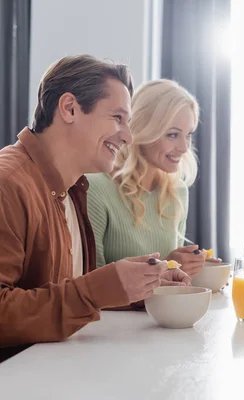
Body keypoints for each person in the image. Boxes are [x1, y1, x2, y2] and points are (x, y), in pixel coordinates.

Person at [0, 55, 189, 362]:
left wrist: (141, 286)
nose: (128, 136)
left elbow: (69, 293)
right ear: (70, 108)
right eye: (117, 118)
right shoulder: (8, 184)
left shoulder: (73, 188)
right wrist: (95, 290)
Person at [87, 79, 214, 278]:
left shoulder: (177, 192)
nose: (184, 148)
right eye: (172, 135)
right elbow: (89, 283)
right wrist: (167, 267)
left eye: (188, 135)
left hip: (163, 310)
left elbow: (172, 281)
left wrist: (195, 269)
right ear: (142, 129)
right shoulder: (95, 188)